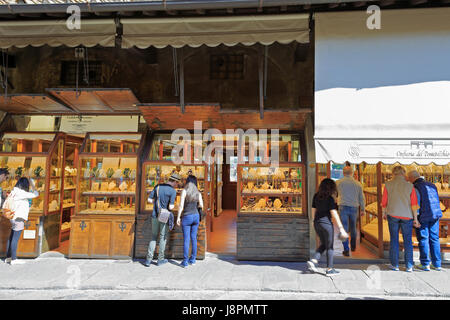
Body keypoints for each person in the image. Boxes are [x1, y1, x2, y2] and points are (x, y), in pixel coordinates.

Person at [307, 178, 348, 277]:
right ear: (331, 188)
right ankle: (330, 269)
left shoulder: (316, 196)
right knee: (329, 247)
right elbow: (333, 212)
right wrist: (341, 228)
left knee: (324, 243)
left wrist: (313, 221)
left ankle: (314, 259)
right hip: (326, 224)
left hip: (317, 223)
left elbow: (313, 209)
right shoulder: (330, 199)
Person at [382, 166, 420, 272]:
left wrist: (384, 213)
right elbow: (414, 204)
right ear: (404, 173)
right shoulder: (410, 186)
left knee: (394, 239)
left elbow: (384, 201)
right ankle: (409, 266)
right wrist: (415, 219)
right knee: (408, 240)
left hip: (393, 214)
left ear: (393, 173)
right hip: (407, 216)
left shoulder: (388, 185)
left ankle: (395, 265)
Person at [407, 170, 442, 271]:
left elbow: (416, 203)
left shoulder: (416, 187)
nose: (408, 181)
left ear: (412, 178)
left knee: (423, 239)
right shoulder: (432, 185)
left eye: (409, 179)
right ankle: (437, 264)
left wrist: (416, 218)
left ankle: (425, 263)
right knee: (435, 238)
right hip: (435, 214)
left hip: (423, 216)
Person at [144, 172, 180, 267]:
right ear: (174, 181)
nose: (177, 185)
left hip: (155, 215)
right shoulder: (172, 191)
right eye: (177, 183)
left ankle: (148, 259)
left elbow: (149, 200)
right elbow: (171, 207)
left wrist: (156, 203)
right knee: (163, 237)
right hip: (164, 216)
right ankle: (160, 259)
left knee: (153, 236)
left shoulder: (158, 186)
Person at [4, 177, 39, 265]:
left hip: (12, 217)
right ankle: (14, 259)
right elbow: (36, 194)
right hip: (18, 218)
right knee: (15, 238)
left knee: (11, 237)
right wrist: (33, 185)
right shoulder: (21, 193)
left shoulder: (14, 191)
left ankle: (8, 257)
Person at [336, 166, 365, 256]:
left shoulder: (338, 183)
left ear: (343, 173)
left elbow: (335, 194)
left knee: (344, 228)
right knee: (353, 227)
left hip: (343, 206)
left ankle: (346, 249)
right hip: (354, 207)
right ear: (352, 173)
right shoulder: (358, 184)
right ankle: (353, 246)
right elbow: (362, 198)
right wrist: (363, 209)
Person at [176, 175, 204, 268]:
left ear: (187, 182)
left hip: (187, 216)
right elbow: (201, 205)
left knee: (186, 239)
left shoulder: (184, 191)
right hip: (195, 216)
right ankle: (193, 259)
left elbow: (181, 206)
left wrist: (178, 217)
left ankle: (185, 261)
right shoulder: (198, 193)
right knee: (193, 238)